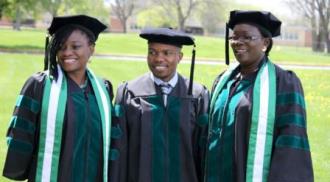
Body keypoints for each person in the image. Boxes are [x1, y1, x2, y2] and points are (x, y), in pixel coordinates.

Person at [204, 10, 314, 182]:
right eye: (234, 37)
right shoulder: (223, 81)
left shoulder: (283, 82)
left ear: (265, 43)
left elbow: (291, 143)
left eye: (247, 37)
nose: (237, 42)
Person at [3, 15, 113, 182]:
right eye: (61, 47)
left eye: (75, 46)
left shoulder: (103, 89)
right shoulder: (39, 85)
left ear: (91, 49)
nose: (67, 52)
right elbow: (21, 134)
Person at [109, 27, 209, 182]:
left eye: (167, 53)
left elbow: (204, 152)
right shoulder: (129, 93)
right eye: (152, 52)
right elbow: (119, 149)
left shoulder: (197, 95)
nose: (158, 58)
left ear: (180, 57)